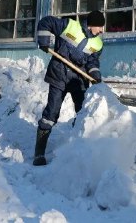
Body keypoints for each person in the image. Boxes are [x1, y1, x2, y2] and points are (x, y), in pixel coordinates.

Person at [32, 9, 105, 166]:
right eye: (100, 26)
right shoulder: (69, 26)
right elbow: (46, 22)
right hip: (59, 75)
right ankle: (39, 154)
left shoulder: (98, 44)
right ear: (92, 24)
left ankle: (78, 150)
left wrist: (95, 75)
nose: (101, 30)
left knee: (83, 113)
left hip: (78, 80)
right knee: (51, 113)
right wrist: (44, 41)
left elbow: (92, 62)